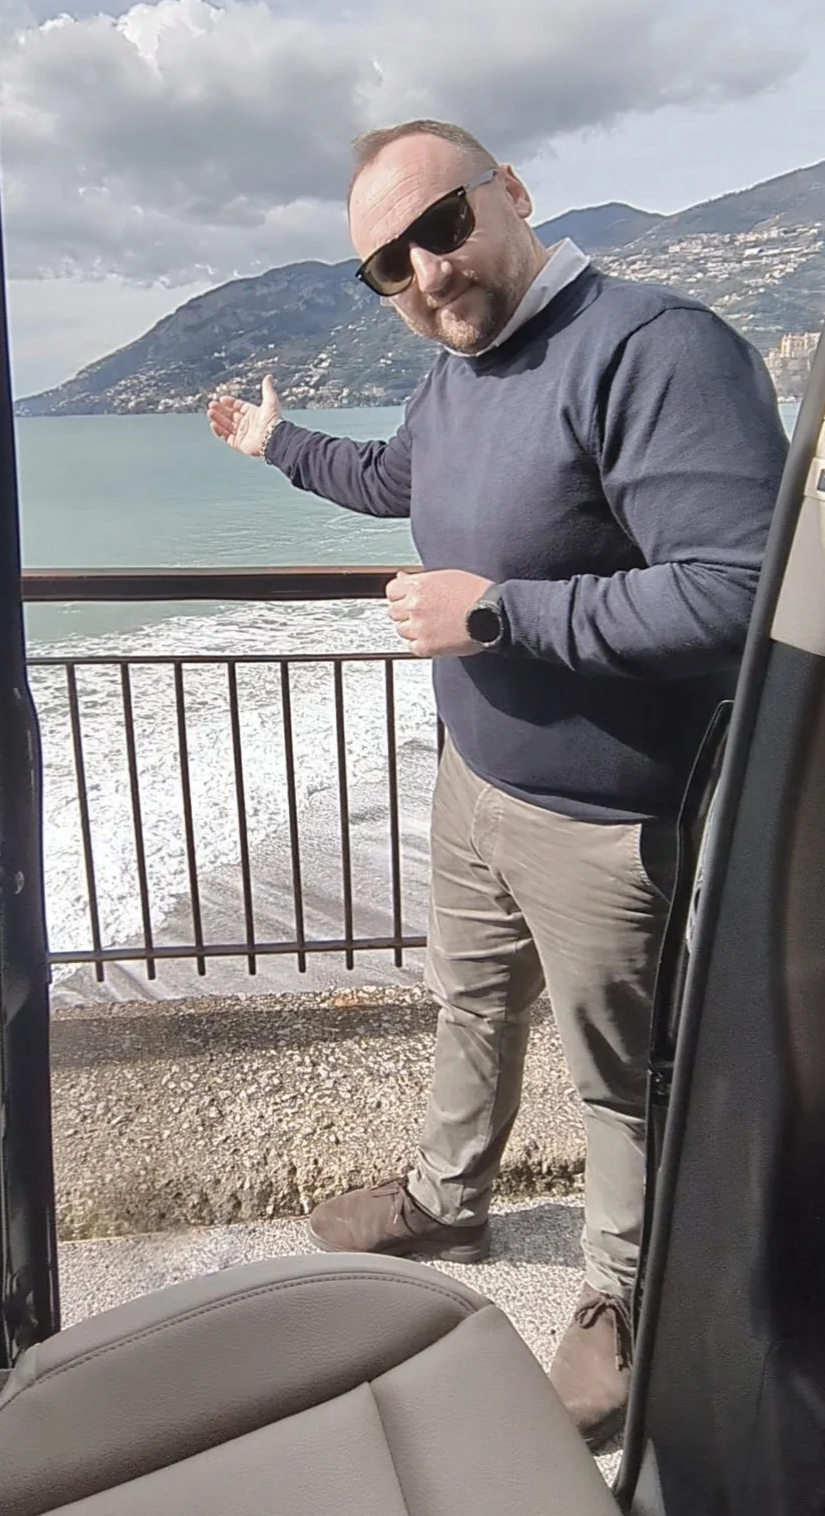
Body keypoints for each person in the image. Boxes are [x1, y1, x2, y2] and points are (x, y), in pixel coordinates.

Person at [206, 118, 788, 1448]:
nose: (424, 272)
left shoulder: (652, 350)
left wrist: (500, 618)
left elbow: (737, 588)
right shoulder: (456, 380)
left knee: (622, 1076)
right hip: (476, 780)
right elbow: (387, 478)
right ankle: (446, 1195)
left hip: (610, 819)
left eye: (442, 228)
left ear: (511, 194)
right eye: (386, 265)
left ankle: (629, 1313)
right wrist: (276, 444)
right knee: (466, 1001)